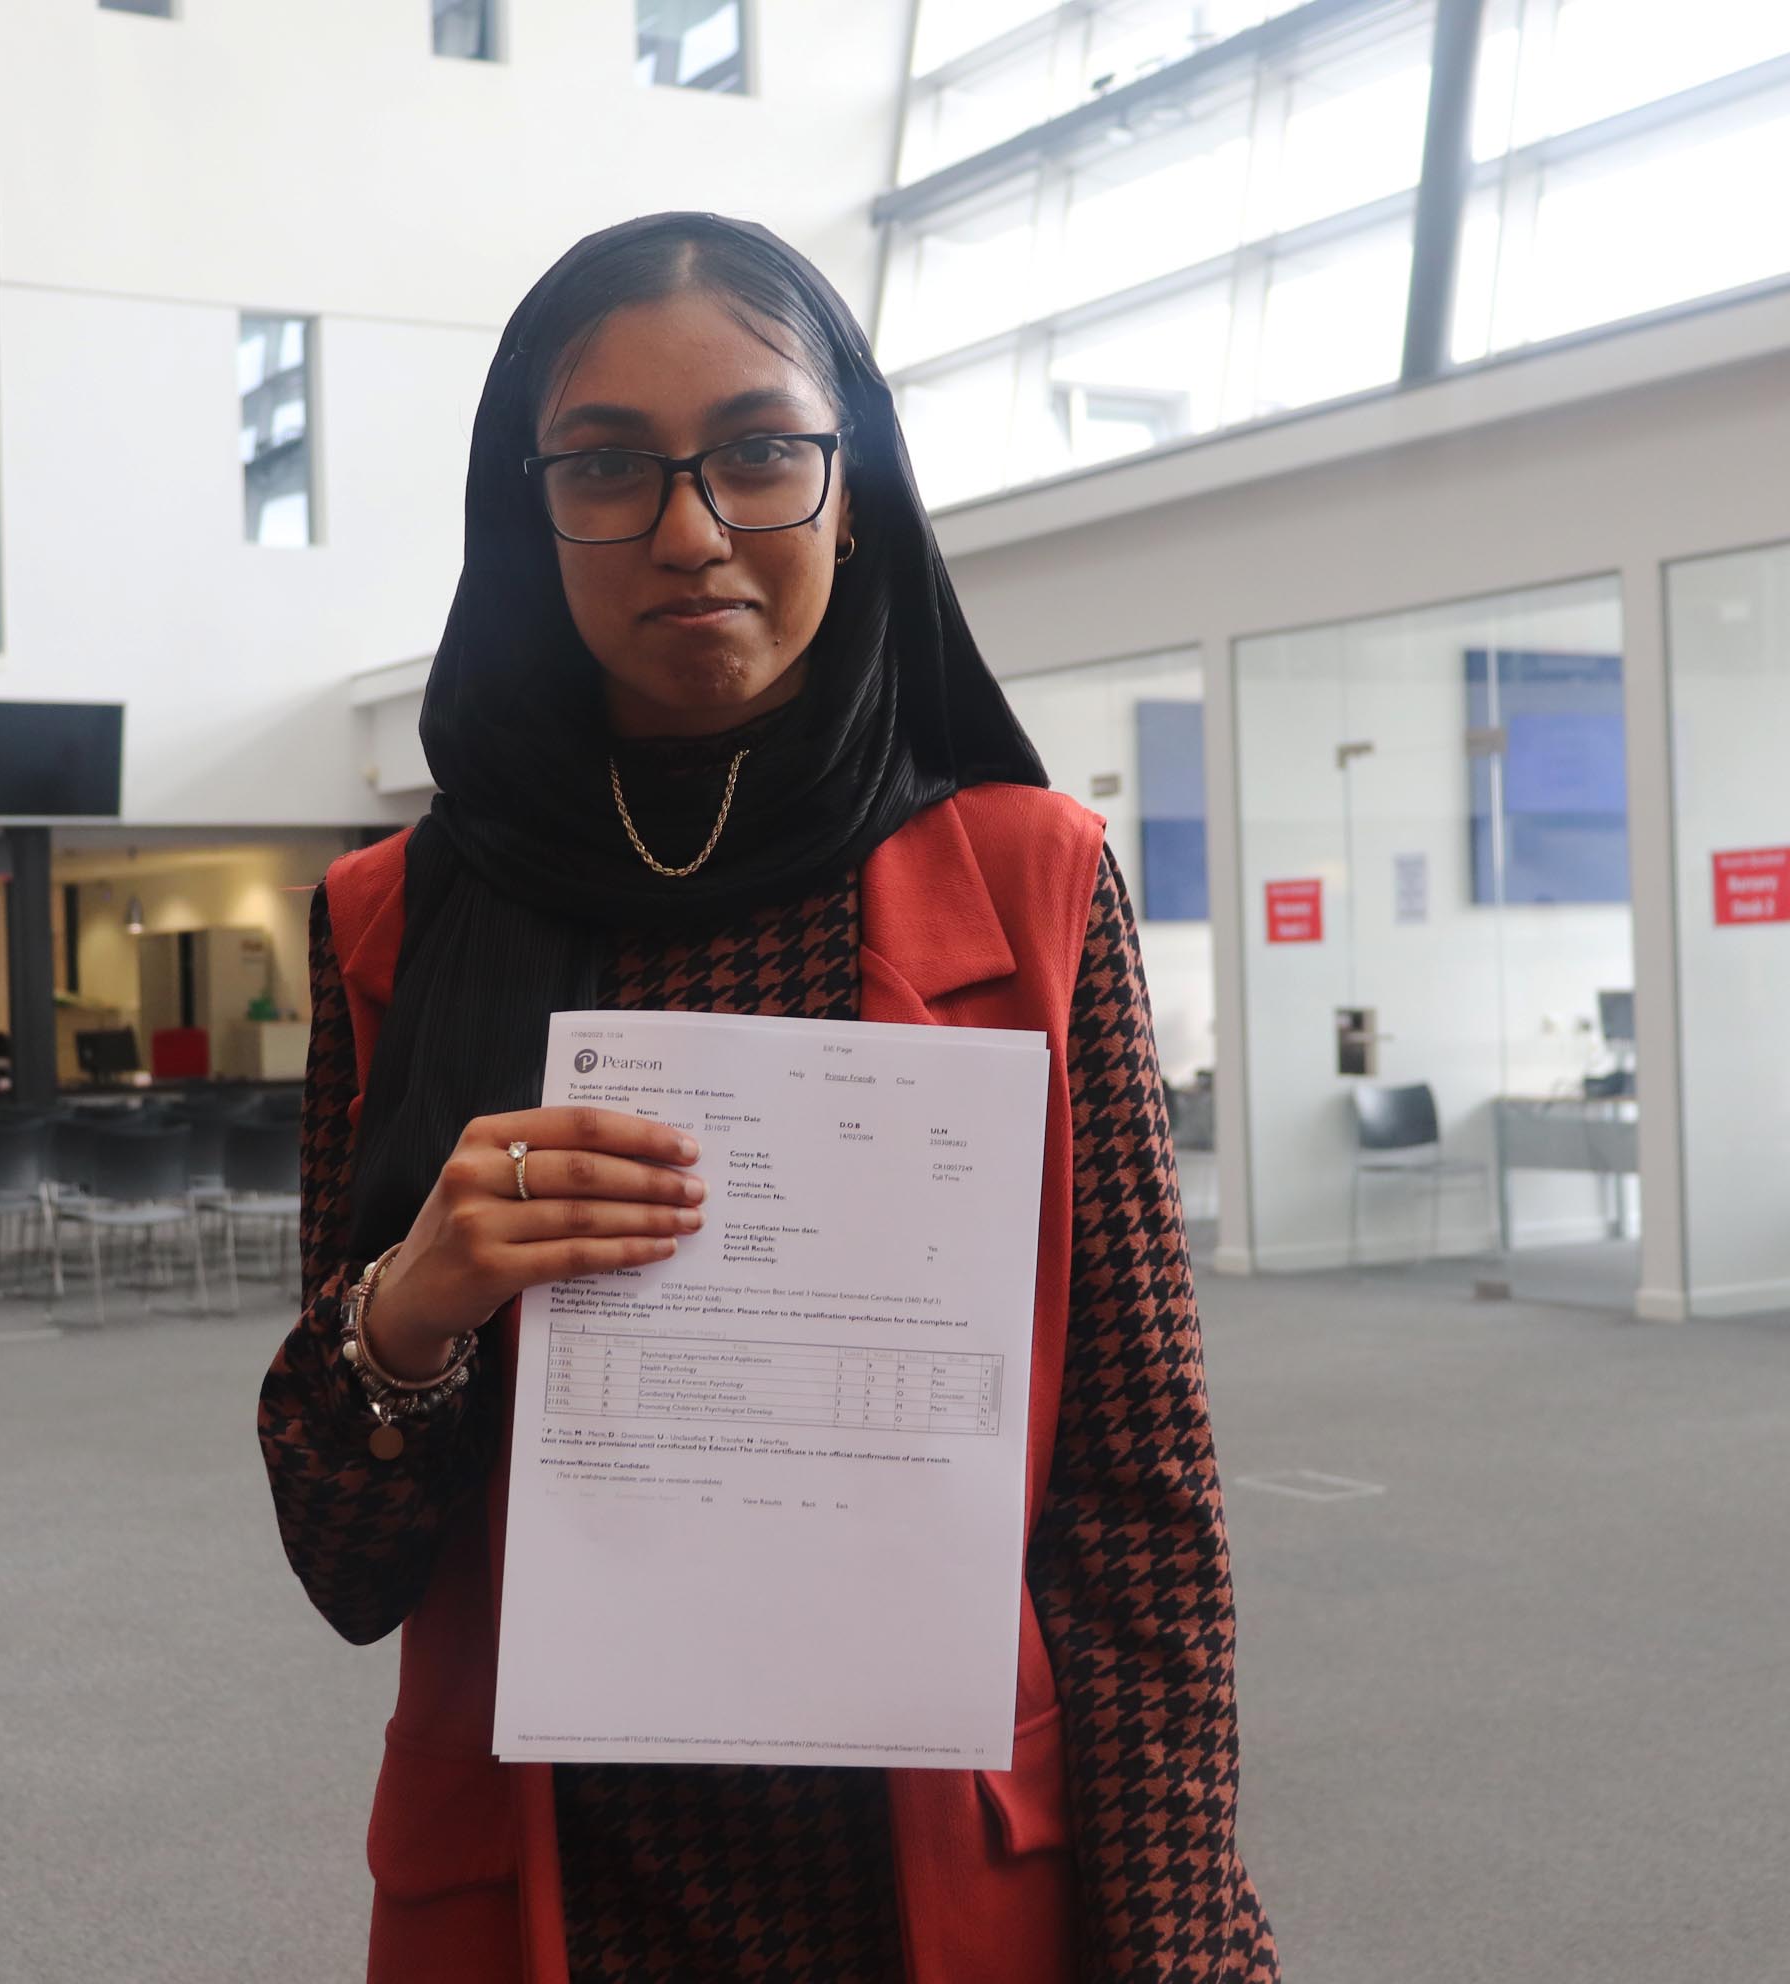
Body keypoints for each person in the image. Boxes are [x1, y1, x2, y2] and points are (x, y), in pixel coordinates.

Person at [258, 212, 1277, 1984]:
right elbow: (348, 1561)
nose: (689, 529)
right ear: (528, 511)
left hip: (932, 1881)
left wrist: (1183, 1945)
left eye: (756, 450)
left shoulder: (1030, 880)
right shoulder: (394, 924)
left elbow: (1139, 1496)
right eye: (605, 466)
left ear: (849, 487)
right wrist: (411, 1310)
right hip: (547, 1875)